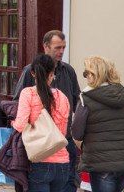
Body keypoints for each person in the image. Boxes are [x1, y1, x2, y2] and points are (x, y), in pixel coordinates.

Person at [14, 30, 81, 192]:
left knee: (69, 184)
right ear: (46, 46)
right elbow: (18, 103)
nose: (61, 51)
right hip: (38, 143)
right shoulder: (31, 71)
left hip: (64, 141)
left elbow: (77, 101)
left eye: (64, 47)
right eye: (58, 47)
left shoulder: (68, 70)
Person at [72, 56, 124, 192]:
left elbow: (77, 133)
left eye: (87, 73)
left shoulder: (86, 98)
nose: (85, 76)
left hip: (101, 164)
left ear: (94, 74)